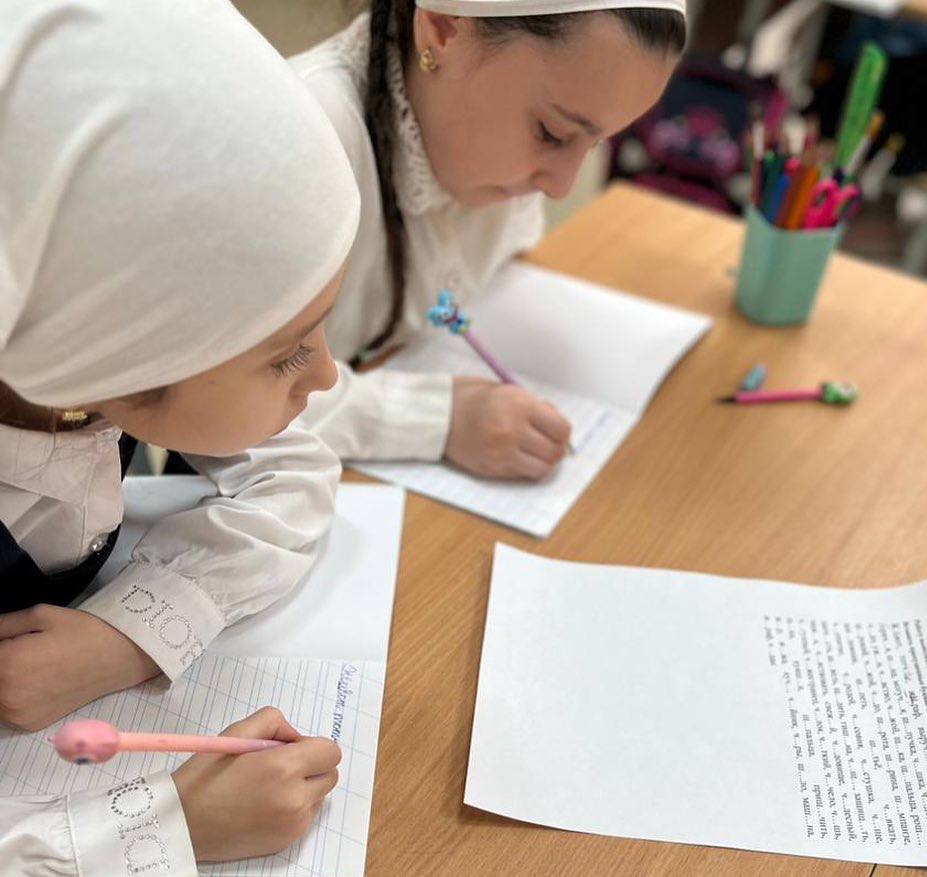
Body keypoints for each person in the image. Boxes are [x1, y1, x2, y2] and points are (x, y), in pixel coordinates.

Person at [0, 0, 361, 871]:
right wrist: (165, 828)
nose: (326, 377)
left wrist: (127, 637)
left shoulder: (71, 376)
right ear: (118, 348)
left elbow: (296, 469)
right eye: (286, 353)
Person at [293, 0, 685, 480]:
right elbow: (230, 397)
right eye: (553, 133)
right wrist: (439, 419)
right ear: (442, 27)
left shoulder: (482, 153)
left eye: (595, 143)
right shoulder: (305, 141)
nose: (561, 187)